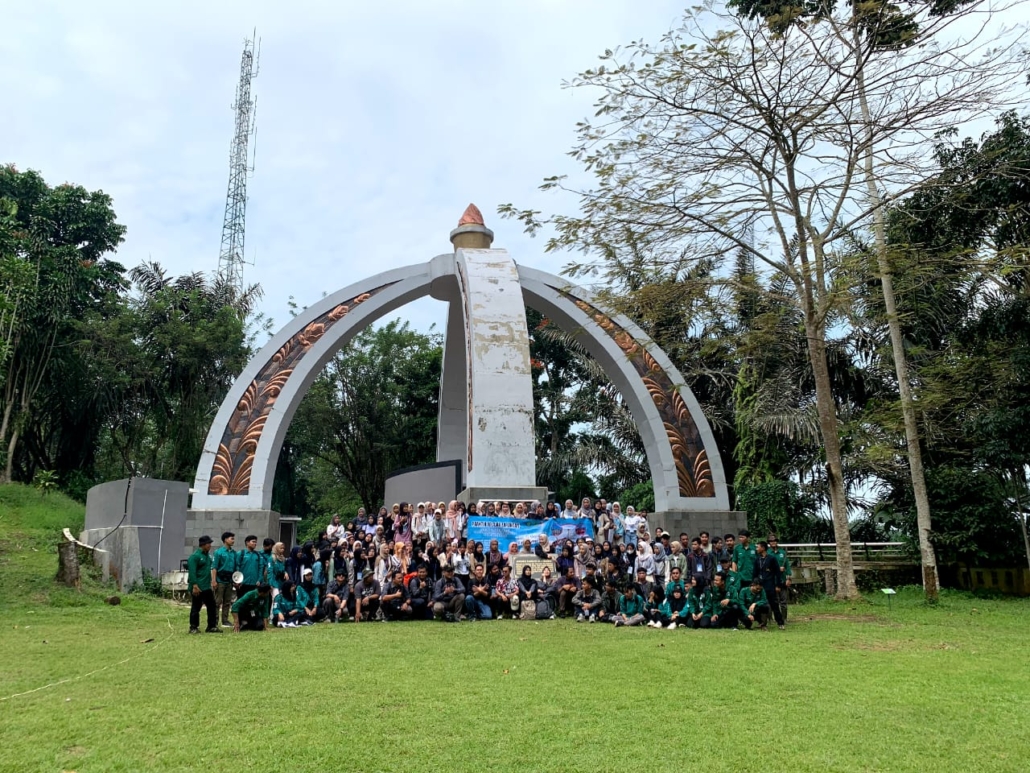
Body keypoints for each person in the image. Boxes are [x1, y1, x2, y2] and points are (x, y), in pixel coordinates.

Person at [187, 535, 219, 634]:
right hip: (198, 587)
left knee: (212, 606)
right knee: (196, 607)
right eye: (208, 544)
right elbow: (192, 572)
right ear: (203, 545)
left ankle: (211, 626)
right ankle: (193, 627)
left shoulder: (207, 556)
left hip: (206, 587)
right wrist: (195, 586)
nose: (210, 545)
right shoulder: (195, 556)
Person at [753, 541, 785, 629]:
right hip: (760, 585)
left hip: (770, 585)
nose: (756, 549)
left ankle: (780, 622)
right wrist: (754, 584)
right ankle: (762, 622)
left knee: (774, 604)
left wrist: (778, 585)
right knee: (760, 604)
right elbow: (754, 573)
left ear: (763, 548)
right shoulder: (757, 559)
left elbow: (777, 573)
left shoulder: (772, 559)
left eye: (758, 547)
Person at [212, 531, 238, 627]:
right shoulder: (218, 552)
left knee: (227, 601)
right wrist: (214, 580)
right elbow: (214, 567)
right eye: (231, 538)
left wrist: (235, 580)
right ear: (225, 540)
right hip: (220, 579)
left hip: (229, 580)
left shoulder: (234, 553)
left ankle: (225, 620)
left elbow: (235, 568)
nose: (233, 541)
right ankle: (214, 620)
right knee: (217, 601)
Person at [768, 534, 792, 622]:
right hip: (771, 580)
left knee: (783, 601)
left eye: (774, 541)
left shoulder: (782, 552)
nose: (773, 542)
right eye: (771, 541)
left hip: (782, 580)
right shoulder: (767, 553)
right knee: (771, 601)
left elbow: (787, 566)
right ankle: (770, 619)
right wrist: (777, 569)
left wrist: (788, 578)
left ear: (777, 542)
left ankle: (784, 618)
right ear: (769, 543)